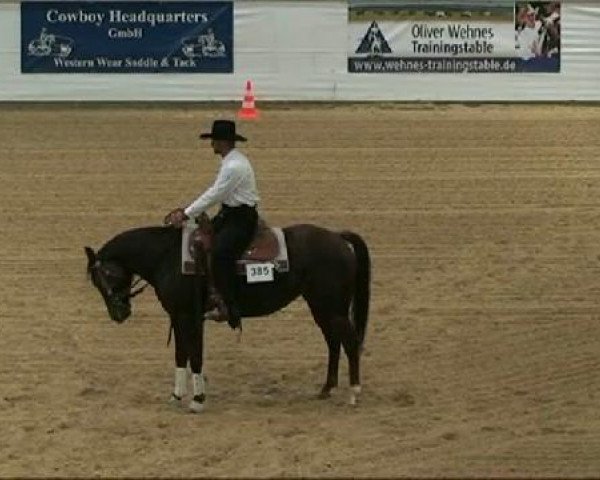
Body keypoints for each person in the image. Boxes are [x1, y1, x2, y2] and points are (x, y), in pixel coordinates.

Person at [165, 120, 260, 330]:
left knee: (220, 254)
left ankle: (228, 306)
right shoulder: (232, 162)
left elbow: (215, 194)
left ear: (223, 142)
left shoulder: (234, 166)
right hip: (230, 215)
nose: (212, 144)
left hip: (240, 219)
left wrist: (186, 213)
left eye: (214, 140)